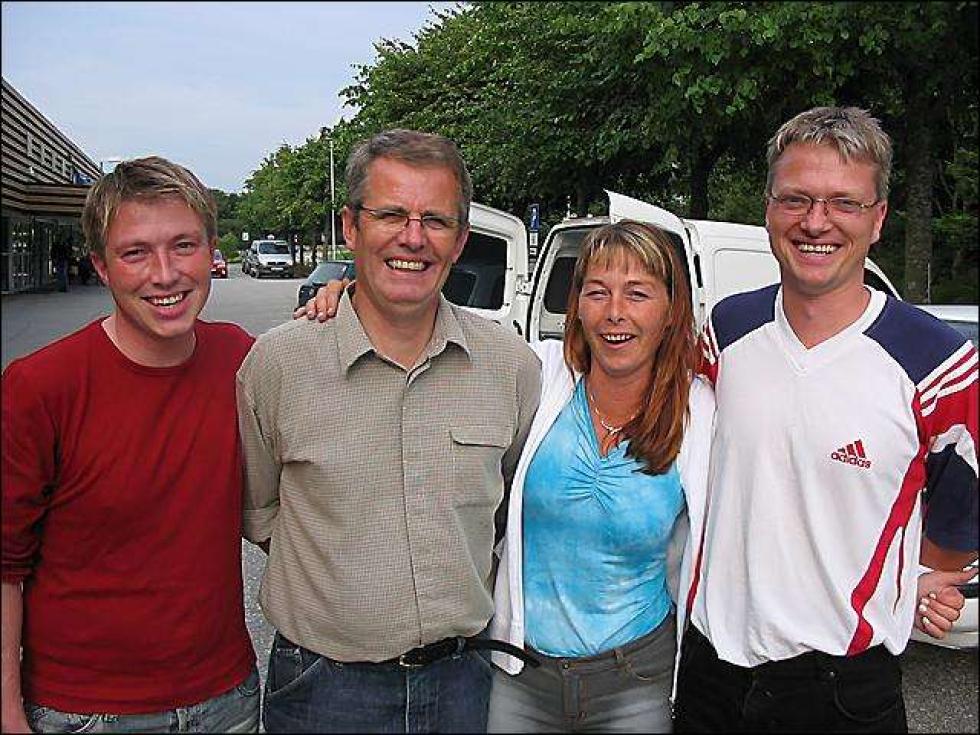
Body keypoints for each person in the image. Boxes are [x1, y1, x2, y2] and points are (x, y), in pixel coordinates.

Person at [673, 106, 978, 732]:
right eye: (796, 199)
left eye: (844, 203)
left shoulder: (939, 364)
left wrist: (913, 577)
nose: (816, 222)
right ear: (768, 209)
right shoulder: (724, 330)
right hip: (710, 677)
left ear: (879, 218)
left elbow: (957, 527)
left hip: (841, 693)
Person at [236, 129, 542, 733]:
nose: (413, 237)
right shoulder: (279, 364)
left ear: (460, 240)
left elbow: (510, 504)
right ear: (351, 227)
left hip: (463, 686)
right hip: (324, 691)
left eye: (436, 220)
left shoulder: (511, 365)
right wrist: (343, 582)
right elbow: (261, 510)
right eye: (391, 214)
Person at [1, 157, 259, 734]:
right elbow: (5, 563)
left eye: (183, 246)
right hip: (83, 711)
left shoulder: (241, 360)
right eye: (135, 252)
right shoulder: (40, 386)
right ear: (101, 266)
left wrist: (340, 295)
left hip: (227, 699)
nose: (164, 274)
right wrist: (7, 711)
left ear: (212, 252)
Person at [482, 220, 713, 732]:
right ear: (577, 307)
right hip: (522, 676)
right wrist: (351, 297)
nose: (615, 312)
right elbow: (444, 333)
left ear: (671, 310)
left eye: (638, 294)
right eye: (597, 292)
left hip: (635, 682)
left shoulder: (701, 410)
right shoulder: (541, 375)